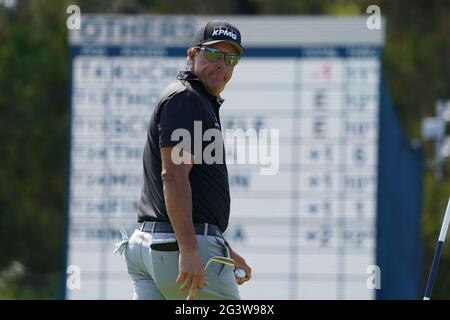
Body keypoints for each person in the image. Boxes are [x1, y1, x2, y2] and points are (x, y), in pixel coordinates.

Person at [122, 21, 252, 300]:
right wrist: (192, 250)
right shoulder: (186, 98)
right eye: (214, 54)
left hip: (150, 246)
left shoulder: (196, 100)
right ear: (192, 55)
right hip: (179, 246)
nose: (222, 65)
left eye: (231, 58)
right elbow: (174, 176)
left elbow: (195, 187)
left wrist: (222, 249)